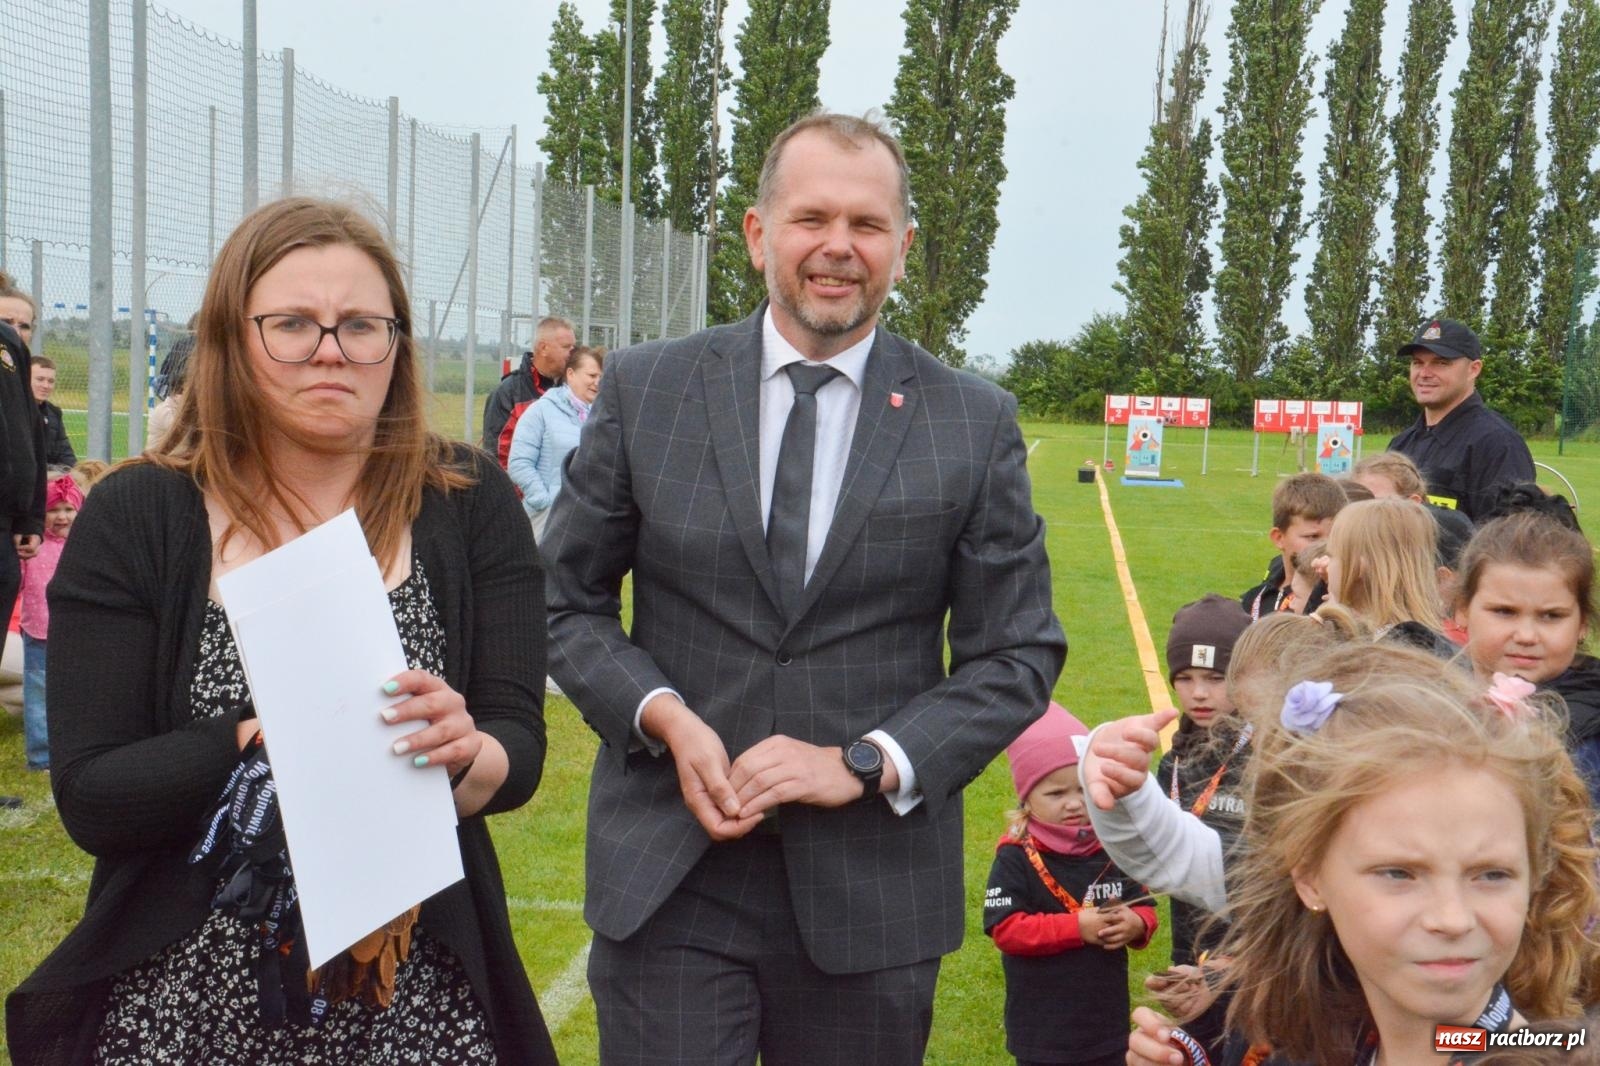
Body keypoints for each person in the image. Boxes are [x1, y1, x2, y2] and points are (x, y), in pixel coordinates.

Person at [544, 111, 1066, 1065]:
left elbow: (1017, 653)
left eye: (867, 225)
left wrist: (865, 761)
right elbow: (562, 601)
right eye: (810, 218)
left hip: (870, 892)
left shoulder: (973, 421)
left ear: (902, 249)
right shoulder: (647, 390)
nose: (838, 247)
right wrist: (663, 714)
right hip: (672, 868)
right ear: (756, 235)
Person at [5, 198, 557, 1065]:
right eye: (292, 323)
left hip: (414, 1001)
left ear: (396, 344)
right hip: (184, 1006)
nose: (330, 348)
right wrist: (262, 738)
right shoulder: (139, 514)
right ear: (231, 336)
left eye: (360, 324)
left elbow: (518, 741)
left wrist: (466, 751)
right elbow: (93, 794)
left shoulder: (469, 502)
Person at [1129, 641, 1600, 1065]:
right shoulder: (1323, 1035)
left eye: (1493, 874)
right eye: (1399, 873)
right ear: (1310, 877)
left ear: (1536, 872)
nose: (1453, 918)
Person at [983, 703, 1156, 1066]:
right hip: (1043, 1032)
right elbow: (1007, 930)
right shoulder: (1016, 855)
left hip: (1107, 1026)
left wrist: (1136, 923)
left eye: (1082, 788)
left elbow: (1144, 904)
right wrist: (1077, 928)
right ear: (1026, 798)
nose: (1074, 804)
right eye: (1056, 794)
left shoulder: (1111, 844)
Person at [1149, 594, 1251, 1060]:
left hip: (1257, 960)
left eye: (1216, 678)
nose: (1199, 694)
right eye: (1185, 679)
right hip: (1192, 955)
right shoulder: (1173, 761)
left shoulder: (1267, 758)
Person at [1454, 512, 1600, 801]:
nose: (1527, 635)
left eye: (1551, 616)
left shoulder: (1590, 734)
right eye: (1504, 612)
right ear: (1462, 609)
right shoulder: (1429, 700)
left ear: (1582, 623)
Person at [1387, 317, 1535, 522]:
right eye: (1417, 363)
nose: (1424, 373)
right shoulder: (1402, 443)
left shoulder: (1497, 444)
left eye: (1440, 363)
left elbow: (1508, 538)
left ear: (1473, 369)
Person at [1317, 496, 1451, 654]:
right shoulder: (1428, 643)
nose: (1326, 564)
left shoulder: (1381, 653)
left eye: (1332, 556)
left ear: (1357, 567)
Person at [506, 345, 603, 543]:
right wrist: (546, 502)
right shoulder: (540, 411)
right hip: (547, 519)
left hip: (587, 520)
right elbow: (519, 463)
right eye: (592, 375)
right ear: (571, 374)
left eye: (602, 377)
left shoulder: (602, 417)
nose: (597, 383)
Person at [17, 473, 81, 772]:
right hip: (38, 633)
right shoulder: (32, 547)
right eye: (53, 509)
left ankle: (75, 747)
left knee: (74, 693)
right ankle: (41, 757)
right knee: (38, 696)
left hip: (75, 633)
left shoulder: (83, 547)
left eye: (68, 509)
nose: (61, 516)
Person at [1238, 473, 1344, 620]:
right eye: (1313, 537)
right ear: (1279, 538)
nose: (1327, 546)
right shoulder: (1253, 601)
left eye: (1334, 536)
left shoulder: (1343, 600)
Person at [480, 315, 576, 467]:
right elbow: (498, 456)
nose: (573, 353)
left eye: (573, 347)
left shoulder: (573, 390)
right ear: (544, 348)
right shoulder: (508, 393)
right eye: (566, 347)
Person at [29, 357, 76, 468]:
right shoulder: (11, 411)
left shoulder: (54, 414)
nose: (46, 386)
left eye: (51, 381)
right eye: (40, 379)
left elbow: (66, 455)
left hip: (47, 478)